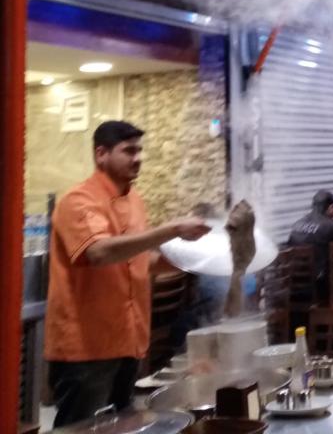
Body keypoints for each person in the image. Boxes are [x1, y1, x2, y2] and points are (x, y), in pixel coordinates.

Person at [44, 120, 211, 427]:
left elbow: (141, 260)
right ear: (101, 154)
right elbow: (99, 252)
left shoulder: (134, 200)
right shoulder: (78, 200)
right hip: (86, 348)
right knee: (82, 428)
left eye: (140, 151)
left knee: (121, 426)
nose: (138, 158)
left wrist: (202, 259)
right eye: (129, 151)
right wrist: (172, 229)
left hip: (128, 341)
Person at [286, 189, 333, 301]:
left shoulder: (297, 224)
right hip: (318, 288)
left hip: (293, 285)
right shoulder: (331, 227)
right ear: (331, 208)